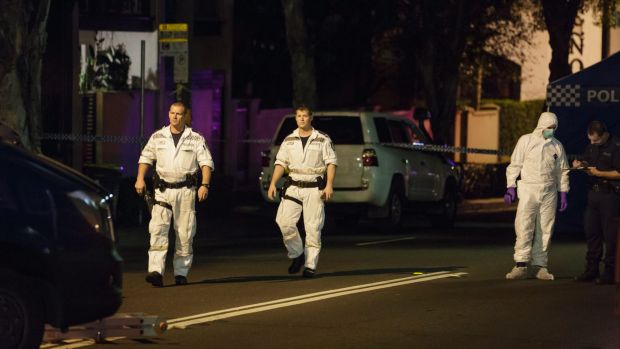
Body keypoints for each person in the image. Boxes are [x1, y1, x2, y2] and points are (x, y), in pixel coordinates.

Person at [135, 101, 213, 287]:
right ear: (168, 114)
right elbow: (145, 158)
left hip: (185, 191)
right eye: (172, 113)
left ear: (185, 116)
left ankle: (180, 272)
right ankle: (156, 271)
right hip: (162, 191)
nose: (174, 117)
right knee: (158, 229)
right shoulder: (158, 137)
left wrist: (205, 185)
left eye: (178, 114)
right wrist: (140, 178)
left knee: (185, 233)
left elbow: (206, 163)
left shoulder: (195, 138)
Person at [267, 106, 338, 278]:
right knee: (284, 221)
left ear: (311, 118)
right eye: (299, 116)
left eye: (305, 116)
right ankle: (297, 253)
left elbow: (331, 162)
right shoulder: (289, 139)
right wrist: (273, 183)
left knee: (313, 228)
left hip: (314, 187)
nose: (302, 119)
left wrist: (329, 184)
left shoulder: (322, 139)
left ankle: (310, 265)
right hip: (293, 185)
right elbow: (280, 163)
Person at [504, 111, 570, 280]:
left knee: (546, 228)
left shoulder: (557, 146)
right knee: (524, 225)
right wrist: (510, 186)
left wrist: (563, 192)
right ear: (541, 126)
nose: (552, 130)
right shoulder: (526, 141)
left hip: (549, 191)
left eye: (554, 128)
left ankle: (540, 265)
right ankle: (521, 264)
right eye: (549, 127)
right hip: (528, 189)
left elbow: (562, 171)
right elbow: (515, 164)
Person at [572, 120, 620, 285]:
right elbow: (587, 160)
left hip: (610, 197)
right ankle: (591, 270)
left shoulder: (616, 146)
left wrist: (599, 173)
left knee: (610, 236)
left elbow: (619, 173)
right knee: (592, 233)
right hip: (593, 195)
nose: (592, 143)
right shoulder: (591, 145)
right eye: (590, 140)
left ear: (604, 135)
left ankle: (609, 272)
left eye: (595, 140)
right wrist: (580, 165)